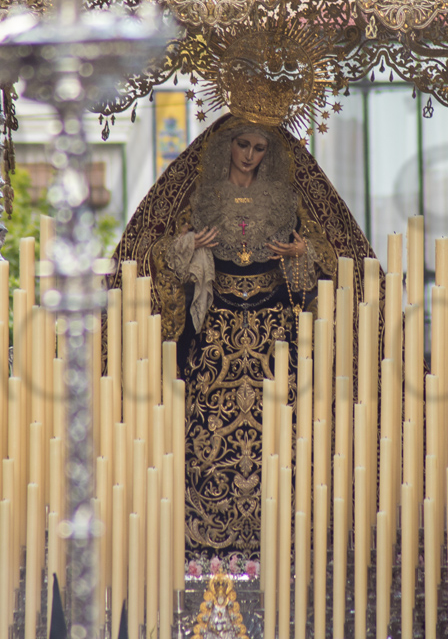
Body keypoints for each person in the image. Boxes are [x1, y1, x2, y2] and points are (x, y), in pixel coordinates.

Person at [106, 114, 375, 555]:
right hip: (217, 330)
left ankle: (284, 532)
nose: (249, 156)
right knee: (206, 424)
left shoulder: (284, 196)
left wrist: (302, 251)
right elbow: (158, 254)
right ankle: (207, 534)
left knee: (285, 424)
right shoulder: (204, 195)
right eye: (243, 145)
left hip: (275, 333)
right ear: (226, 145)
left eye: (259, 148)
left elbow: (328, 249)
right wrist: (189, 247)